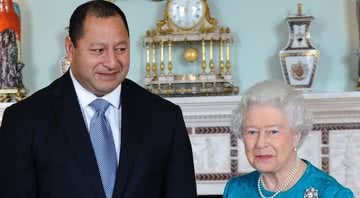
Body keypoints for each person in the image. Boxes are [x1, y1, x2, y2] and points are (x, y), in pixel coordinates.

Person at [0, 1, 197, 198]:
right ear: (70, 48)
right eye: (98, 51)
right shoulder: (23, 121)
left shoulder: (165, 118)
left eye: (120, 49)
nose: (112, 63)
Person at [223, 80, 354, 198]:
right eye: (252, 132)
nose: (261, 143)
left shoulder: (332, 194)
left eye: (273, 131)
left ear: (296, 136)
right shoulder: (235, 190)